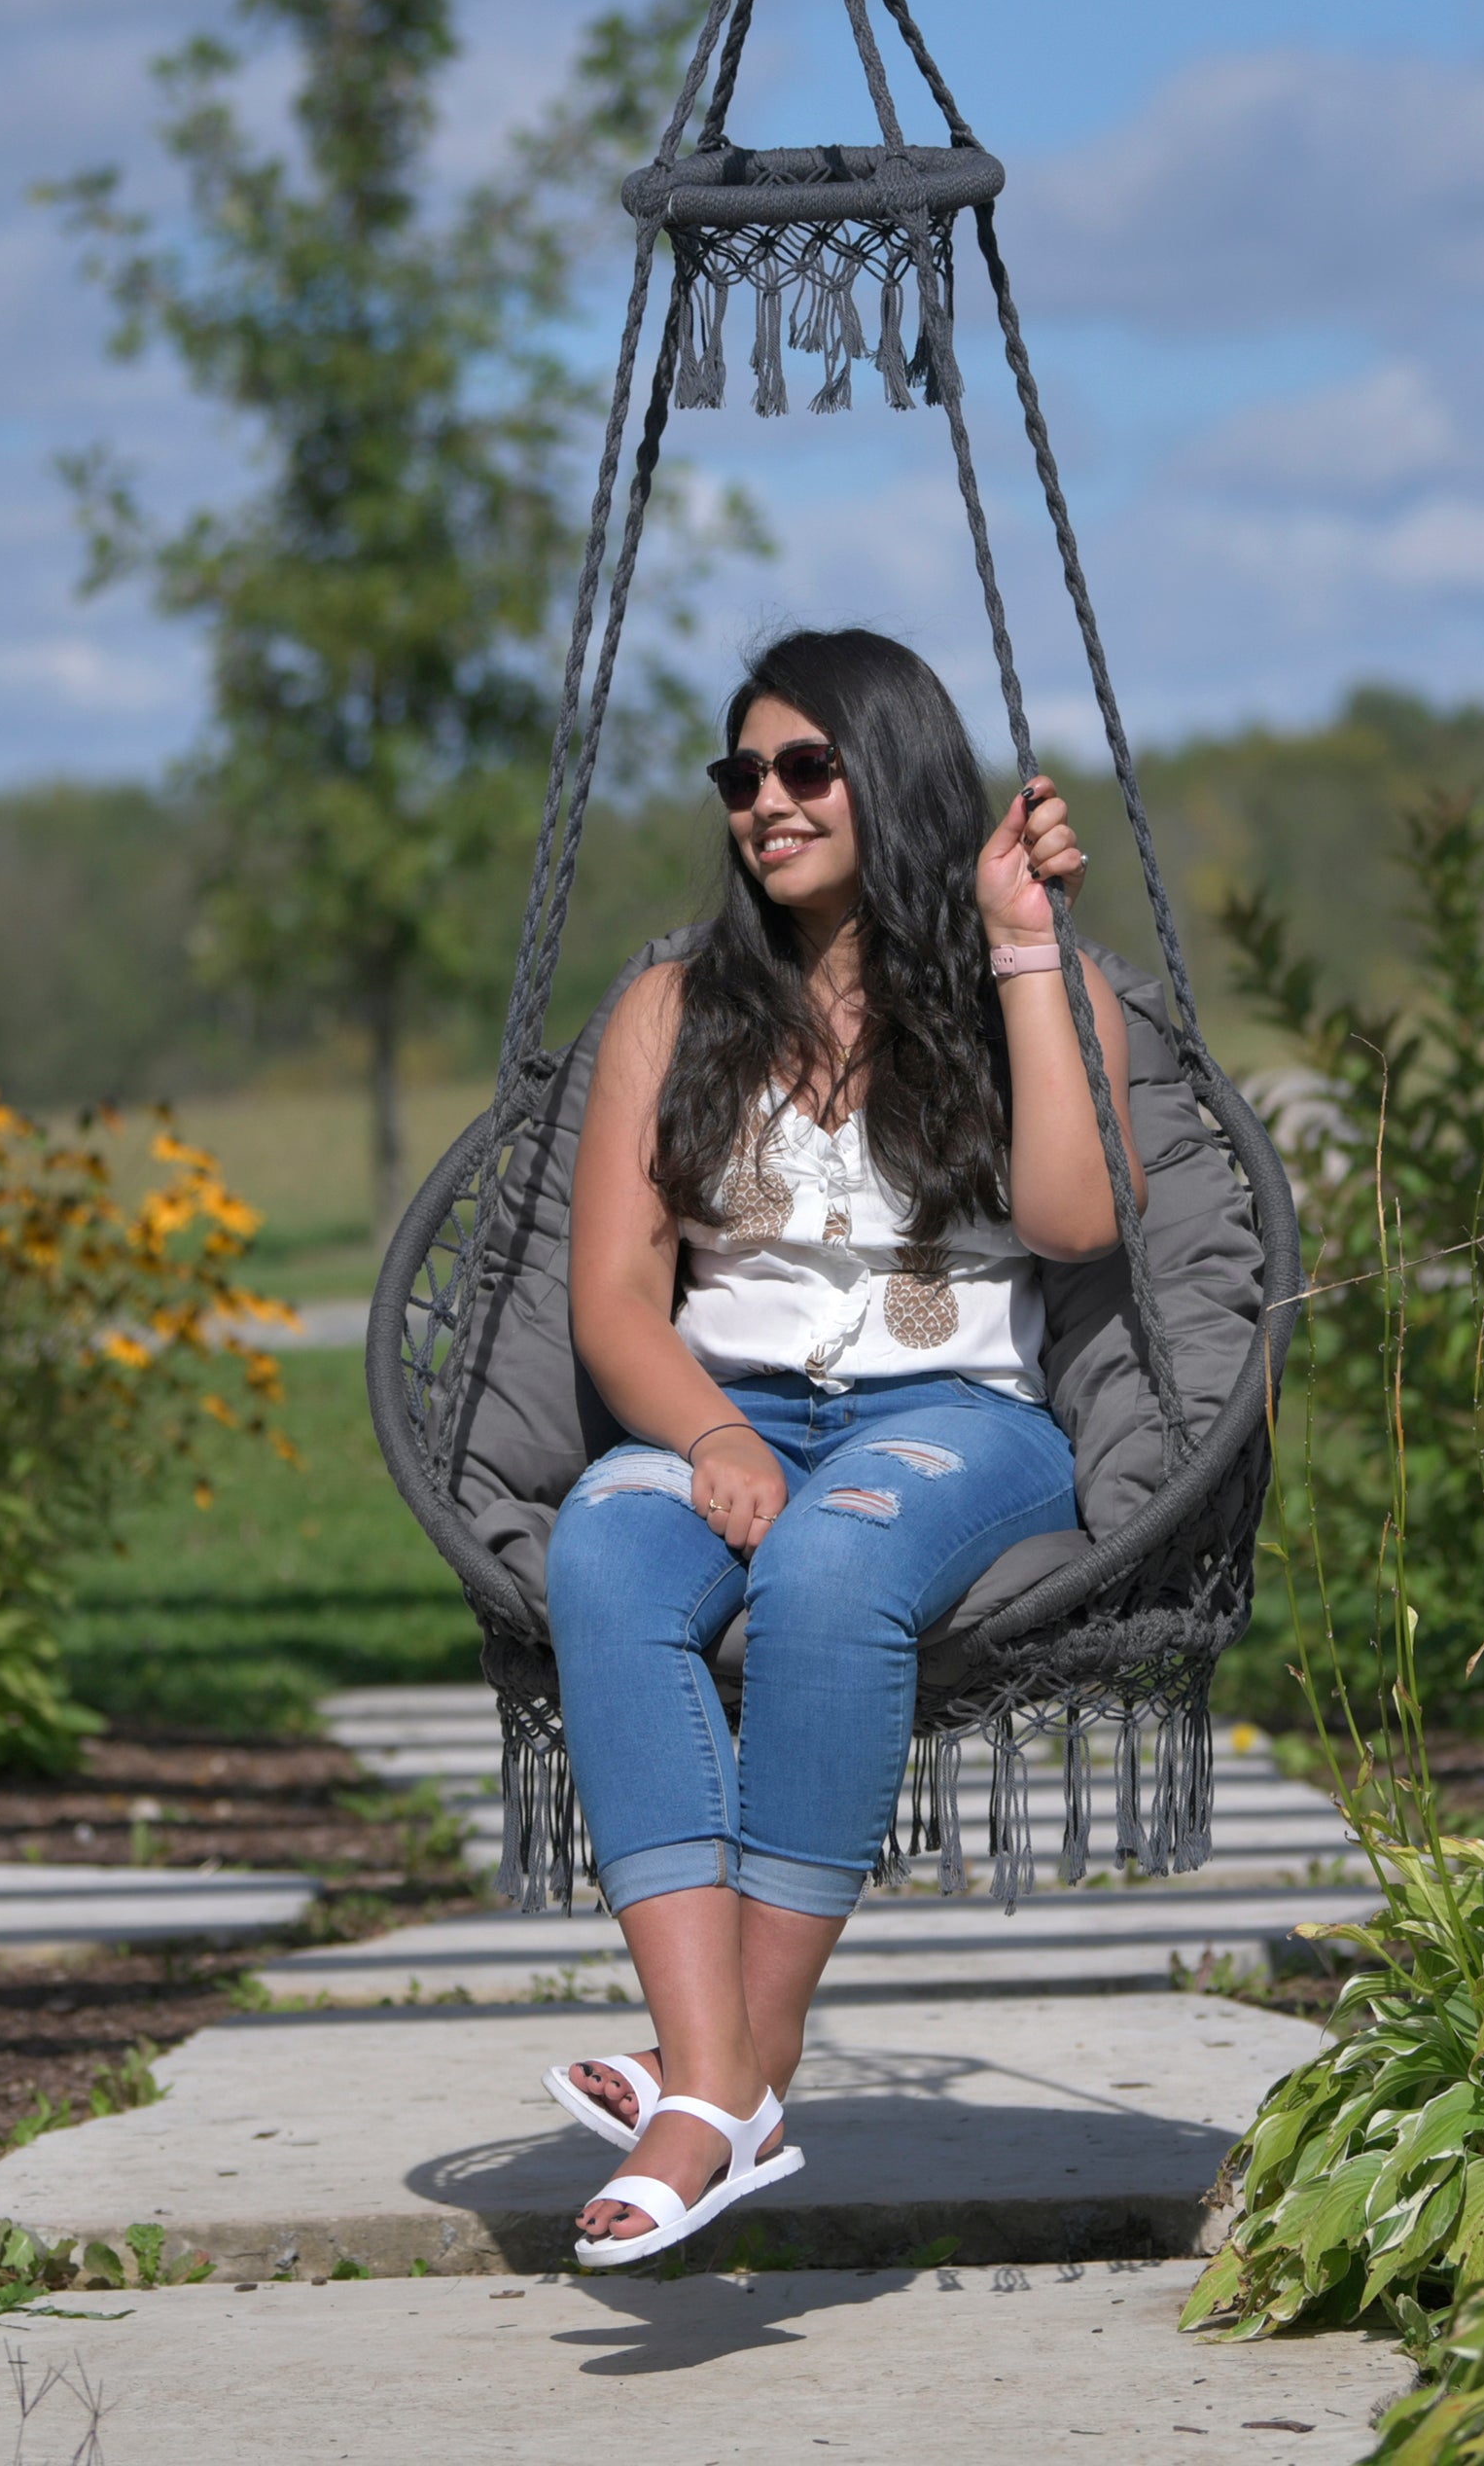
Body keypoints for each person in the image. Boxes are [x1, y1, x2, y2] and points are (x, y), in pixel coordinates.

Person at [542, 625, 1145, 2268]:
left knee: (823, 1564)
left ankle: (725, 2081)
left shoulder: (1035, 981)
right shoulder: (672, 1007)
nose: (767, 802)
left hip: (959, 1423)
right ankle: (722, 2078)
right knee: (601, 1547)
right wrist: (718, 1435)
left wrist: (1023, 945)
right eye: (743, 775)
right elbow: (614, 1303)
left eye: (806, 767)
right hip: (723, 1402)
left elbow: (1079, 1220)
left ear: (892, 773)